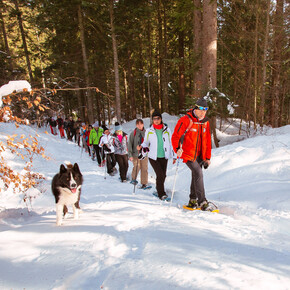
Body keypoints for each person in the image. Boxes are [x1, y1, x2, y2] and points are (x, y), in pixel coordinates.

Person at [171, 97, 212, 211]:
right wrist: (177, 148)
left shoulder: (205, 122)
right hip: (187, 154)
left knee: (196, 175)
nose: (203, 112)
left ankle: (192, 200)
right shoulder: (186, 120)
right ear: (196, 108)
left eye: (206, 109)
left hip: (200, 155)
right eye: (201, 109)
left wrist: (207, 157)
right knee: (198, 173)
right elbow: (175, 136)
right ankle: (202, 201)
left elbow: (208, 140)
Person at [140, 110, 176, 200]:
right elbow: (145, 143)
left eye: (158, 118)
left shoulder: (167, 130)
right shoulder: (149, 131)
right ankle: (161, 193)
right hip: (153, 157)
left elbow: (171, 143)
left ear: (161, 119)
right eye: (154, 119)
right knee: (160, 175)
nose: (156, 120)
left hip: (164, 156)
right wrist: (143, 149)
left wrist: (174, 155)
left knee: (163, 175)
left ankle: (158, 189)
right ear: (152, 120)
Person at [128, 119, 148, 188]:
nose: (139, 126)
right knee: (137, 166)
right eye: (138, 124)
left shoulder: (146, 132)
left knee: (144, 168)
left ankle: (144, 183)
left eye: (141, 124)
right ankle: (134, 179)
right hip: (135, 154)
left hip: (144, 154)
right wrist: (130, 155)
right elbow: (130, 144)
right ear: (136, 125)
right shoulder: (133, 133)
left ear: (143, 124)